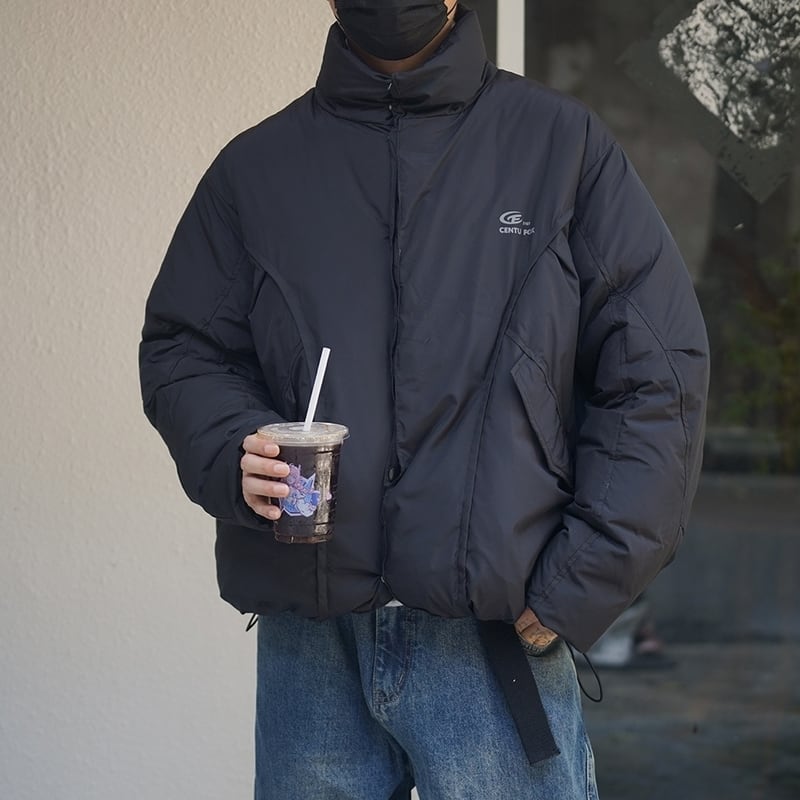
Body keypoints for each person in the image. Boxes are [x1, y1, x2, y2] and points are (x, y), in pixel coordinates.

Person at [139, 1, 709, 797]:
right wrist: (235, 446)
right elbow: (185, 346)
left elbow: (658, 370)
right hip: (312, 641)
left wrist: (582, 579)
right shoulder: (258, 169)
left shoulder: (560, 148)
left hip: (494, 639)